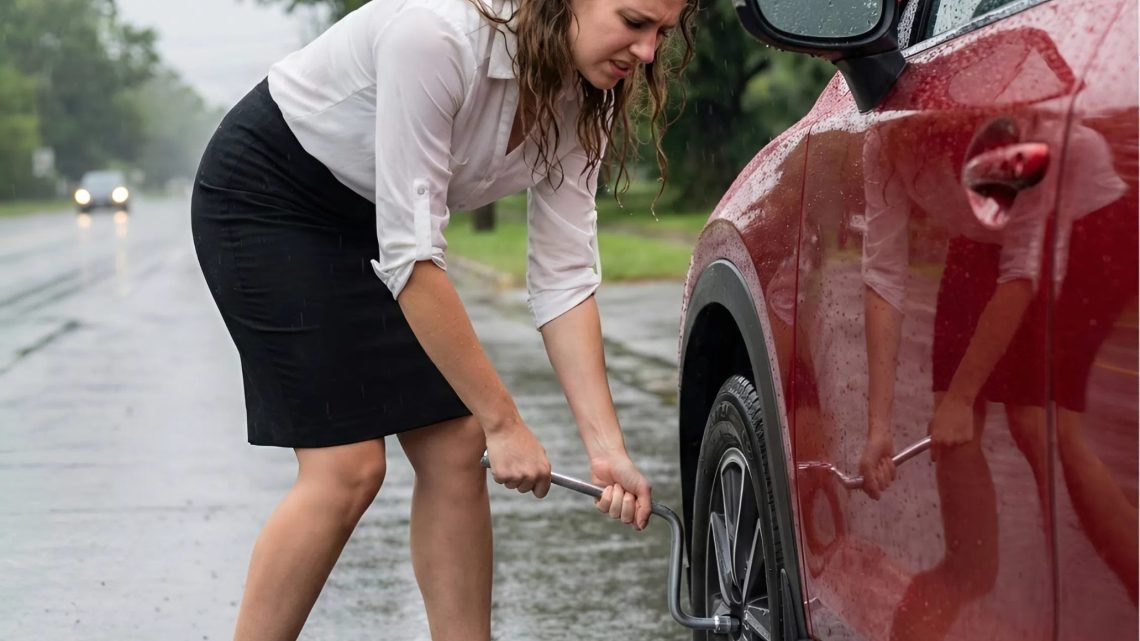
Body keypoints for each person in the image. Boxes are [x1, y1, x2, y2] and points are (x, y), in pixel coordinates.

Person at [189, 0, 695, 638]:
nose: (647, 52)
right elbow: (412, 257)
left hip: (374, 216)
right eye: (633, 21)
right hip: (268, 198)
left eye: (662, 34)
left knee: (457, 445)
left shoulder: (579, 93)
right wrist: (505, 421)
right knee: (347, 467)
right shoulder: (436, 35)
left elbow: (564, 277)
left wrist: (607, 450)